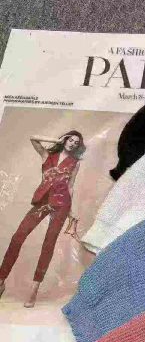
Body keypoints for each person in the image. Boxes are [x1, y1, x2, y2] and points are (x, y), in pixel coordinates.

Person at [0, 130, 85, 307]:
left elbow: (71, 187)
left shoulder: (75, 163)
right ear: (65, 140)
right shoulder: (48, 156)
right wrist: (56, 140)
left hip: (61, 205)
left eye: (76, 143)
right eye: (70, 140)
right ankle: (1, 279)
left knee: (49, 244)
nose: (72, 143)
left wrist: (72, 211)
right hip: (42, 201)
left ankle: (34, 289)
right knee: (18, 236)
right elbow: (33, 138)